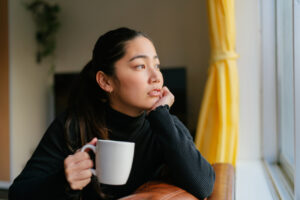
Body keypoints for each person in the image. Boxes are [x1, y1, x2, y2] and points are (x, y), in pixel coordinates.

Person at [9, 27, 215, 200]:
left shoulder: (163, 125)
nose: (156, 77)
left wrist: (161, 114)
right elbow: (18, 193)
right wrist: (63, 180)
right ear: (106, 81)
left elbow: (204, 185)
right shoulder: (74, 125)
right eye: (140, 66)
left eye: (157, 65)